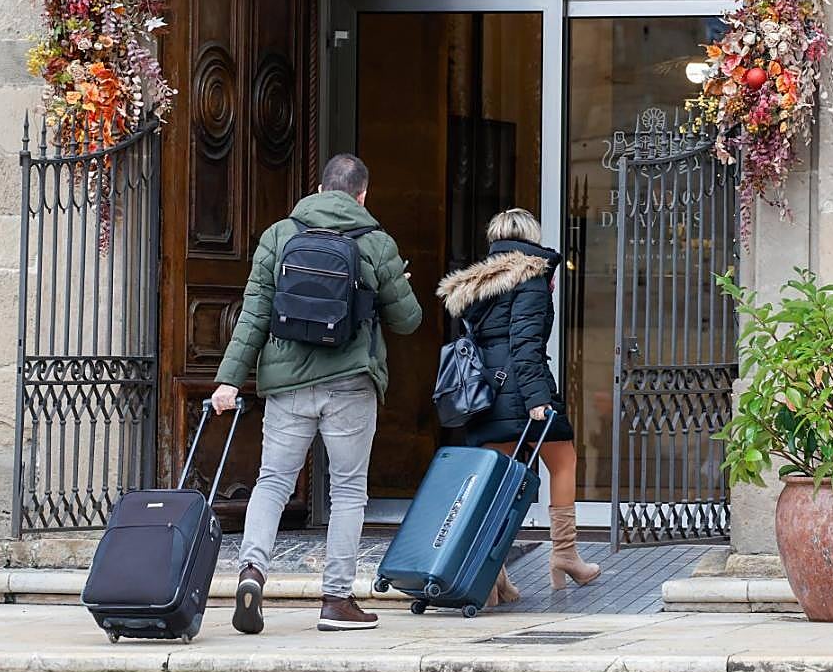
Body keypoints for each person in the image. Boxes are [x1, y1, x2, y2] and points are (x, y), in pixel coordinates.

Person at [211, 154, 422, 634]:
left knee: (272, 482)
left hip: (287, 385)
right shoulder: (376, 242)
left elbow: (254, 315)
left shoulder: (279, 235)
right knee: (348, 490)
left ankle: (251, 572)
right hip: (350, 382)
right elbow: (409, 321)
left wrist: (229, 379)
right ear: (362, 194)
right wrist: (394, 286)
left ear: (321, 188)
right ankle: (336, 600)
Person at [436, 208, 600, 605]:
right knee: (563, 461)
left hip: (485, 396)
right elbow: (525, 346)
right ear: (530, 238)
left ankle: (493, 576)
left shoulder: (478, 284)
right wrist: (539, 400)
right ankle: (564, 554)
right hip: (524, 389)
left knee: (496, 487)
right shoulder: (531, 276)